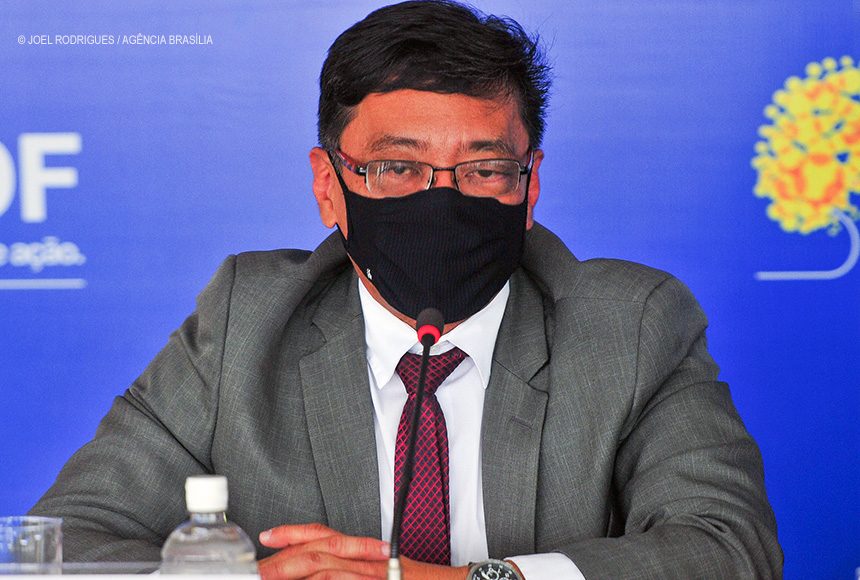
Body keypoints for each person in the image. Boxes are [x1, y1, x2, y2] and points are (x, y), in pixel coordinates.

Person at [30, 1, 782, 578]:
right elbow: (65, 544)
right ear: (329, 186)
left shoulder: (631, 325)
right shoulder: (245, 321)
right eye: (397, 168)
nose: (442, 201)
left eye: (485, 169)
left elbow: (728, 547)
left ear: (530, 184)